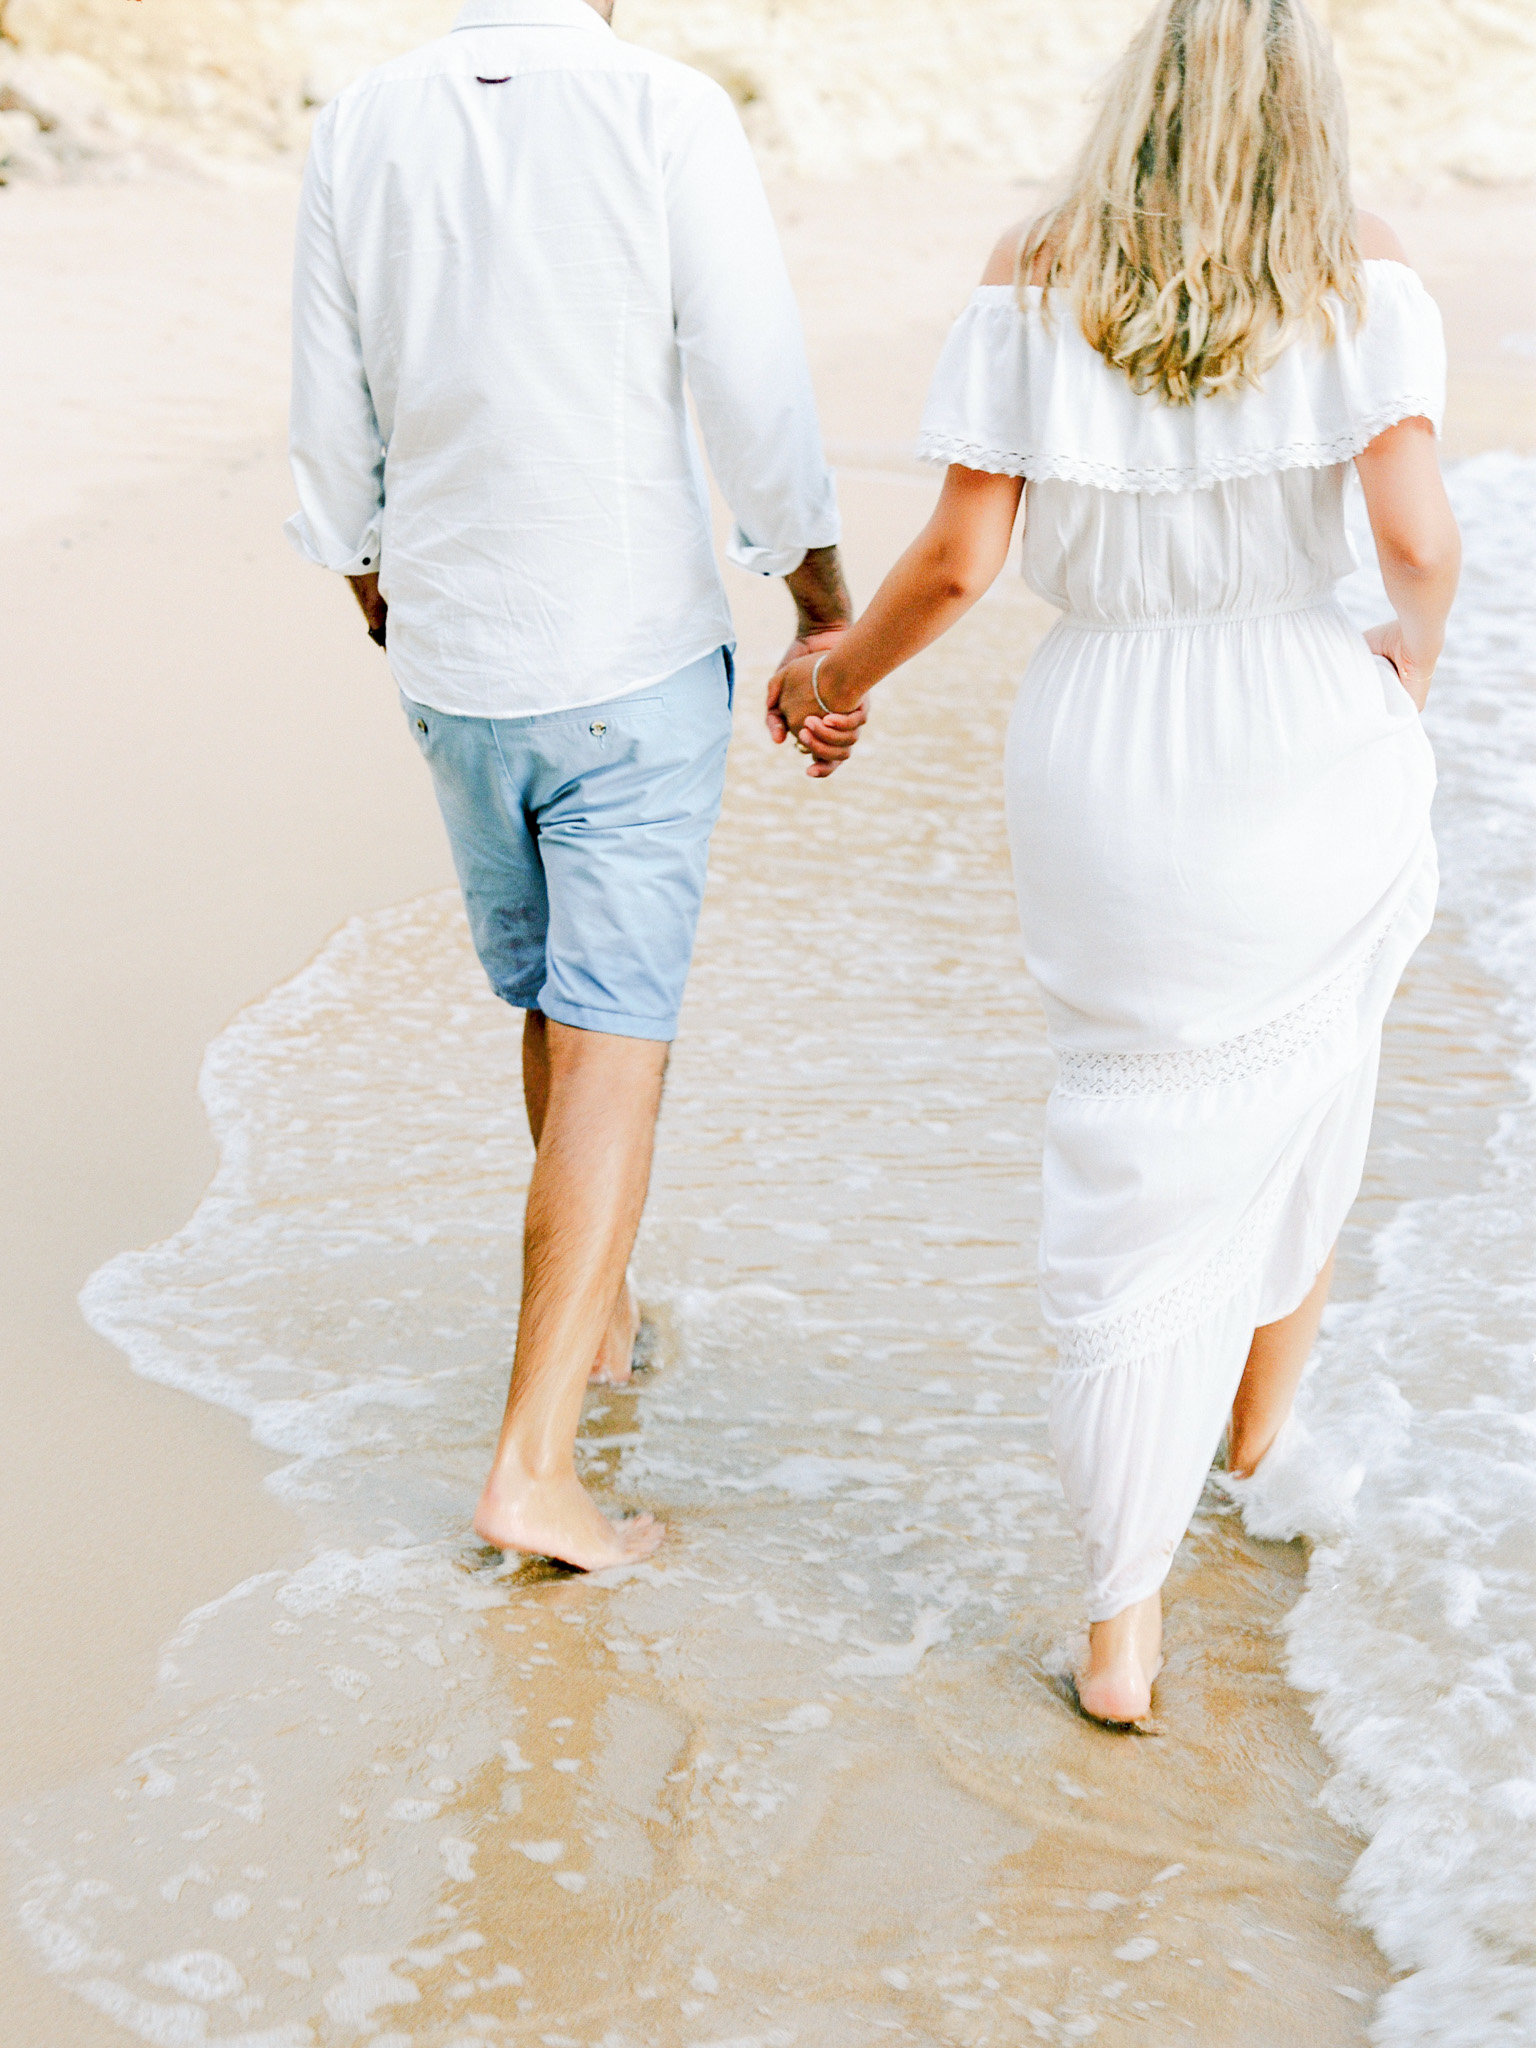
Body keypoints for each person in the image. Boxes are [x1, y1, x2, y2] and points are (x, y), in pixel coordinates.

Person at [770, 0, 1460, 1723]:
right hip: (1301, 712)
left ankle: (1120, 1620)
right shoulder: (1355, 260)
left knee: (1130, 1137)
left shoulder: (1033, 263)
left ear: (1136, 90)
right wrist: (1411, 665)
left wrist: (827, 682)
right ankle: (1265, 1446)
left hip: (1106, 742)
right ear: (1309, 99)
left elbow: (953, 562)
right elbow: (1417, 541)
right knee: (1309, 1082)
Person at [286, 0, 859, 1573]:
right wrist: (818, 599)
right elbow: (751, 382)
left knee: (554, 996)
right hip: (622, 653)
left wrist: (382, 604)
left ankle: (596, 1327)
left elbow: (329, 426)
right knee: (615, 1035)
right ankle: (533, 1470)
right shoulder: (663, 108)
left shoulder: (363, 119)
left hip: (453, 659)